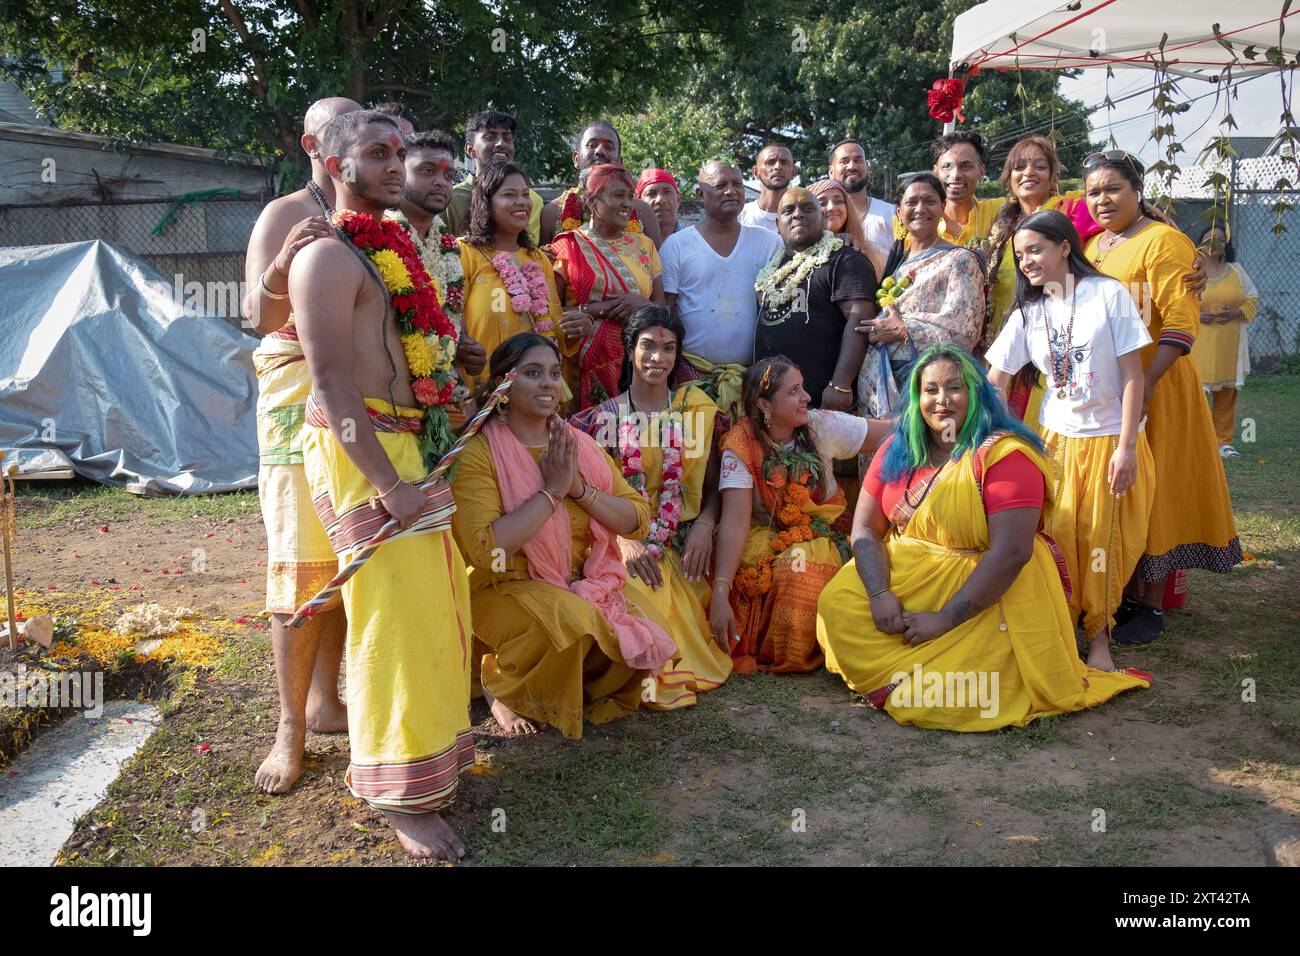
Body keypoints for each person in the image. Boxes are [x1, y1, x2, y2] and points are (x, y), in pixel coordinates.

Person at [290, 109, 473, 861]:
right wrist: (384, 483)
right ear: (335, 164)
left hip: (408, 441)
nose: (394, 165)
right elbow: (330, 382)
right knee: (393, 619)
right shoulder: (326, 258)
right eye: (375, 154)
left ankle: (432, 765)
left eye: (398, 152)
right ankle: (400, 797)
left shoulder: (394, 244)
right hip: (363, 448)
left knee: (435, 602)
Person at [817, 345, 1151, 730]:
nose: (942, 400)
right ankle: (899, 657)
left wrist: (944, 620)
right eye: (930, 390)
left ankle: (919, 664)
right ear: (916, 397)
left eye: (955, 388)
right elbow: (864, 530)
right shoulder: (897, 448)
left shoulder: (1006, 456)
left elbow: (1011, 553)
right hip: (908, 573)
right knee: (836, 603)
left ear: (977, 393)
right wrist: (879, 594)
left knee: (958, 688)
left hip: (988, 589)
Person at [449, 333, 677, 738]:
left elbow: (637, 518)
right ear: (503, 384)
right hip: (502, 587)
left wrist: (578, 490)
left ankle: (565, 683)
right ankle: (500, 684)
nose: (549, 383)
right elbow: (486, 550)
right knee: (573, 621)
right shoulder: (478, 452)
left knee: (642, 631)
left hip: (578, 584)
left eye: (554, 373)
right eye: (533, 373)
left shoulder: (577, 444)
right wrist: (550, 493)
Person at [240, 95, 358, 794]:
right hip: (296, 402)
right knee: (300, 563)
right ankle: (289, 727)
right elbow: (257, 317)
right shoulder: (285, 211)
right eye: (343, 128)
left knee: (346, 556)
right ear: (315, 145)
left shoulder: (377, 216)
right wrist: (283, 260)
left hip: (364, 401)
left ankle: (326, 699)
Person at [1082, 150, 1242, 643]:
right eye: (1092, 192)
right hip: (1112, 392)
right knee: (1122, 491)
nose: (1102, 199)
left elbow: (1179, 320)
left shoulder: (1163, 241)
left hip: (1160, 386)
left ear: (1137, 191)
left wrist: (1147, 383)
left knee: (1159, 487)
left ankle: (1151, 604)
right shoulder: (1094, 248)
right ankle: (1125, 592)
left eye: (1113, 189)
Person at [986, 211, 1156, 671]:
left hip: (1108, 442)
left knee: (1102, 542)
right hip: (1055, 442)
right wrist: (995, 431)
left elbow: (1133, 377)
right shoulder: (1029, 311)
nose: (1027, 263)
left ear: (1065, 247)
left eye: (1036, 250)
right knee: (1056, 537)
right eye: (1019, 256)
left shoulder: (1109, 295)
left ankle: (1099, 639)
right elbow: (995, 378)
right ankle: (1061, 629)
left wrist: (1125, 449)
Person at [571, 306, 732, 708]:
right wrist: (620, 541)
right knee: (635, 592)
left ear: (678, 356)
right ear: (630, 350)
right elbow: (582, 494)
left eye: (668, 348)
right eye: (647, 346)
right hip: (618, 545)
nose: (657, 358)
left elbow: (714, 485)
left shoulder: (695, 411)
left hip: (682, 545)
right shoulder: (602, 420)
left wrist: (705, 524)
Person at [711, 357, 891, 674]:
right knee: (771, 566)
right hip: (759, 535)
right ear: (765, 405)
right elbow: (735, 522)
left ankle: (812, 648)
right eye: (794, 391)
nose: (807, 397)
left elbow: (892, 434)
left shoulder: (819, 425)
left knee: (802, 567)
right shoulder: (741, 445)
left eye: (803, 387)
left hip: (822, 535)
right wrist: (721, 590)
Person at [858, 174, 986, 420]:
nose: (920, 209)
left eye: (929, 201)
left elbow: (964, 333)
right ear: (898, 211)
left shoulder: (959, 260)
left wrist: (905, 329)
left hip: (927, 387)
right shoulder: (894, 261)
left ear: (942, 208)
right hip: (879, 383)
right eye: (912, 202)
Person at [660, 160, 784, 414]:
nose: (731, 191)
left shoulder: (769, 243)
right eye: (720, 185)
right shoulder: (677, 246)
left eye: (737, 184)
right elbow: (665, 313)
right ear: (700, 194)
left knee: (748, 451)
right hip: (693, 377)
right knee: (698, 451)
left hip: (752, 377)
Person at [753, 185, 877, 412]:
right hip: (773, 406)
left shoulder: (844, 259)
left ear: (822, 218)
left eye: (808, 208)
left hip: (823, 402)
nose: (798, 214)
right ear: (778, 225)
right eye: (789, 210)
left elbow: (860, 321)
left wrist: (840, 385)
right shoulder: (771, 268)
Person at [551, 164, 665, 408]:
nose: (626, 204)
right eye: (617, 195)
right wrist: (597, 309)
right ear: (592, 201)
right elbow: (547, 315)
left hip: (638, 364)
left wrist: (643, 306)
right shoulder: (567, 246)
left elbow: (664, 313)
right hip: (581, 366)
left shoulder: (645, 246)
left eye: (629, 196)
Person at [457, 162, 576, 393]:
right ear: (486, 204)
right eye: (509, 195)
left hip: (533, 390)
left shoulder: (538, 258)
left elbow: (552, 325)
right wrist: (463, 347)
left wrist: (577, 328)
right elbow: (452, 323)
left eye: (525, 194)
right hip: (482, 387)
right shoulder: (465, 253)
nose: (522, 202)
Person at [386, 129, 486, 398]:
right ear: (398, 172)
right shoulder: (378, 238)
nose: (441, 182)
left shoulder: (451, 246)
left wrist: (464, 347)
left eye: (448, 175)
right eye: (427, 171)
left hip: (443, 387)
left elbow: (452, 321)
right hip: (391, 391)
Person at [1192, 223, 1258, 458]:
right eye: (1209, 238)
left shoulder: (1237, 270)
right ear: (1199, 243)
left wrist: (1236, 313)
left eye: (1220, 239)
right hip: (1197, 343)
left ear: (1226, 245)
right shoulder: (1191, 270)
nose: (1214, 244)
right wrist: (1197, 315)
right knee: (1195, 394)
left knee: (1227, 394)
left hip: (1230, 342)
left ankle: (1223, 443)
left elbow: (1252, 297)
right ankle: (1196, 441)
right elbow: (1177, 301)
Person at [540, 121, 661, 246]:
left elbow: (652, 263)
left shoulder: (643, 212)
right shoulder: (551, 213)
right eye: (592, 145)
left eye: (608, 147)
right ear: (576, 159)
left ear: (619, 161)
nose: (600, 151)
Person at [443, 109, 545, 244]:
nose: (501, 143)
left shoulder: (531, 200)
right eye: (490, 137)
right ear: (470, 149)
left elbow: (530, 251)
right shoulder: (452, 198)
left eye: (507, 139)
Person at [828, 139, 896, 264]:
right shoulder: (823, 218)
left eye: (858, 160)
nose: (852, 166)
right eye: (844, 161)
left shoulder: (891, 213)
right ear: (831, 172)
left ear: (867, 168)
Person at [809, 177, 886, 277]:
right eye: (822, 203)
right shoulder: (798, 253)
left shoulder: (872, 251)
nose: (832, 207)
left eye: (838, 201)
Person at [738, 143, 796, 233]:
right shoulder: (740, 216)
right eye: (770, 162)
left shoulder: (800, 217)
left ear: (793, 172)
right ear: (756, 172)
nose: (778, 167)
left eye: (784, 162)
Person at [636, 167, 681, 242]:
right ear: (639, 204)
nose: (660, 200)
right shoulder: (629, 243)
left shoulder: (695, 241)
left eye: (667, 192)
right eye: (651, 194)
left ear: (678, 199)